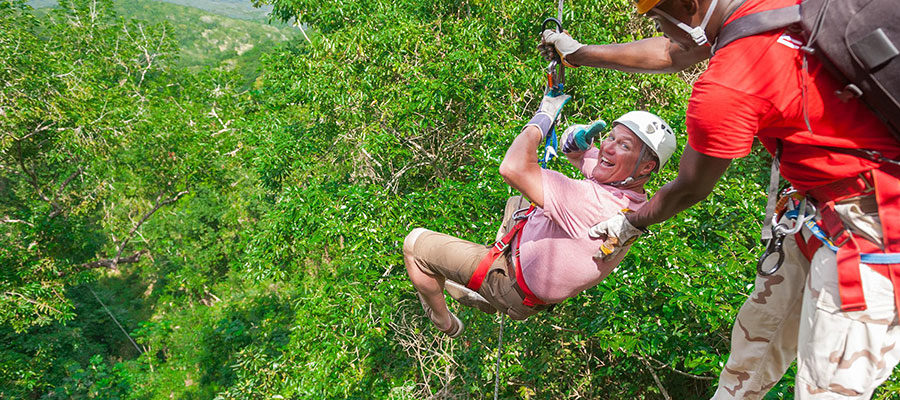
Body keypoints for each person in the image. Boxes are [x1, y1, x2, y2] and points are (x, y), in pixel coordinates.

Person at [540, 0, 900, 398]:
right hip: (814, 210)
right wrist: (577, 54)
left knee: (829, 386)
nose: (663, 31)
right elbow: (673, 51)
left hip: (873, 230)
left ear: (688, 7)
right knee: (754, 343)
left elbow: (690, 187)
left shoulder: (729, 83)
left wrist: (631, 222)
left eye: (660, 20)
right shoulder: (769, 9)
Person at [403, 90, 676, 337]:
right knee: (519, 201)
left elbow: (512, 167)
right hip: (531, 285)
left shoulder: (591, 203)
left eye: (624, 146)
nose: (608, 147)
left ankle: (444, 321)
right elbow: (589, 161)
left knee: (414, 245)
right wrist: (579, 144)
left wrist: (541, 120)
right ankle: (488, 281)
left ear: (645, 168)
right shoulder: (633, 200)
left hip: (509, 284)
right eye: (610, 138)